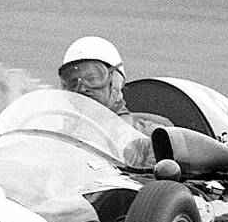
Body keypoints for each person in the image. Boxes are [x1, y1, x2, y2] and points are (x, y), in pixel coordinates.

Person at [57, 36, 165, 167]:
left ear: (115, 81)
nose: (82, 88)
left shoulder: (152, 138)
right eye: (73, 82)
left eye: (93, 78)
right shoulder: (56, 136)